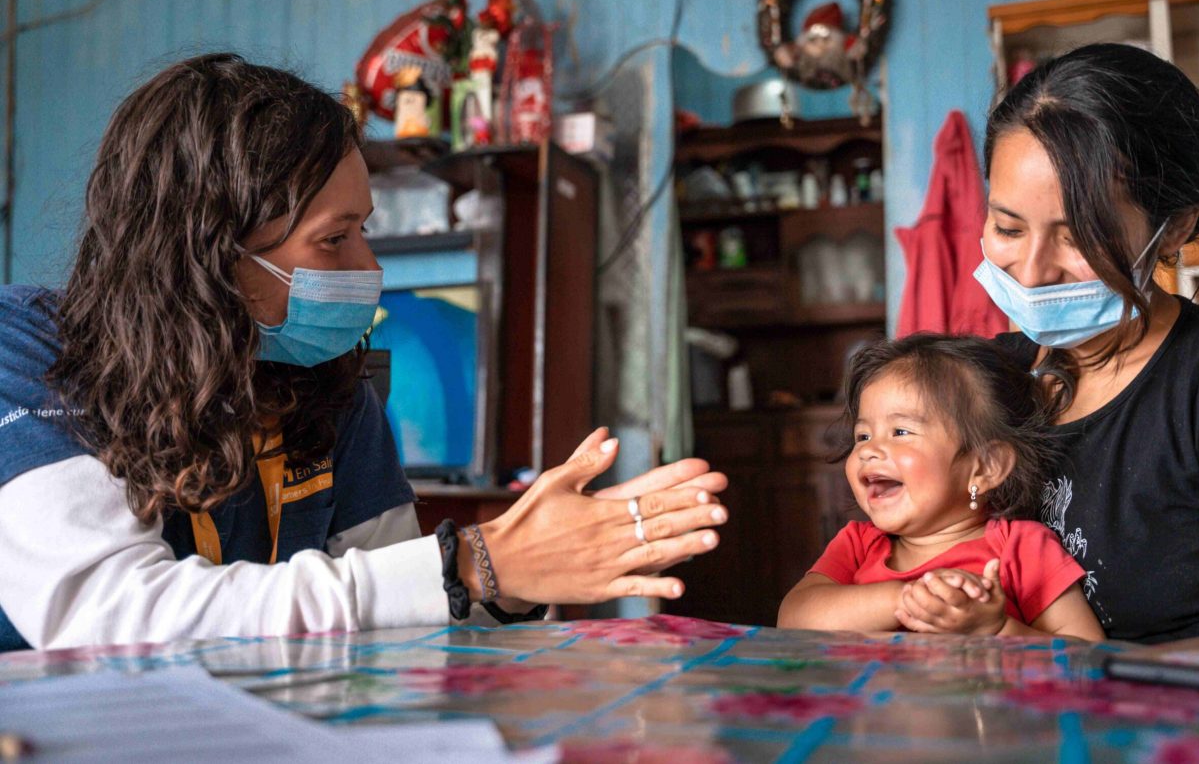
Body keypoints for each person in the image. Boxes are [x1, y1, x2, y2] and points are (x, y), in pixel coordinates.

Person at [0, 53, 728, 652]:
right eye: (333, 237)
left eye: (364, 232)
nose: (367, 271)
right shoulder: (28, 351)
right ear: (207, 249)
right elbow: (106, 622)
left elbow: (400, 614)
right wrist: (473, 561)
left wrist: (521, 575)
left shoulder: (329, 391)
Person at [976, 42, 1199, 643]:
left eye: (1079, 237)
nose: (1032, 269)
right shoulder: (984, 383)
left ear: (1174, 225)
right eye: (1007, 227)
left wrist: (1034, 650)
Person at [778, 334, 1104, 640]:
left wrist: (998, 629)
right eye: (863, 435)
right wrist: (907, 598)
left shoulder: (1021, 549)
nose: (867, 450)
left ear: (986, 467)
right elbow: (793, 619)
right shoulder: (857, 545)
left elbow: (1086, 653)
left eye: (900, 432)